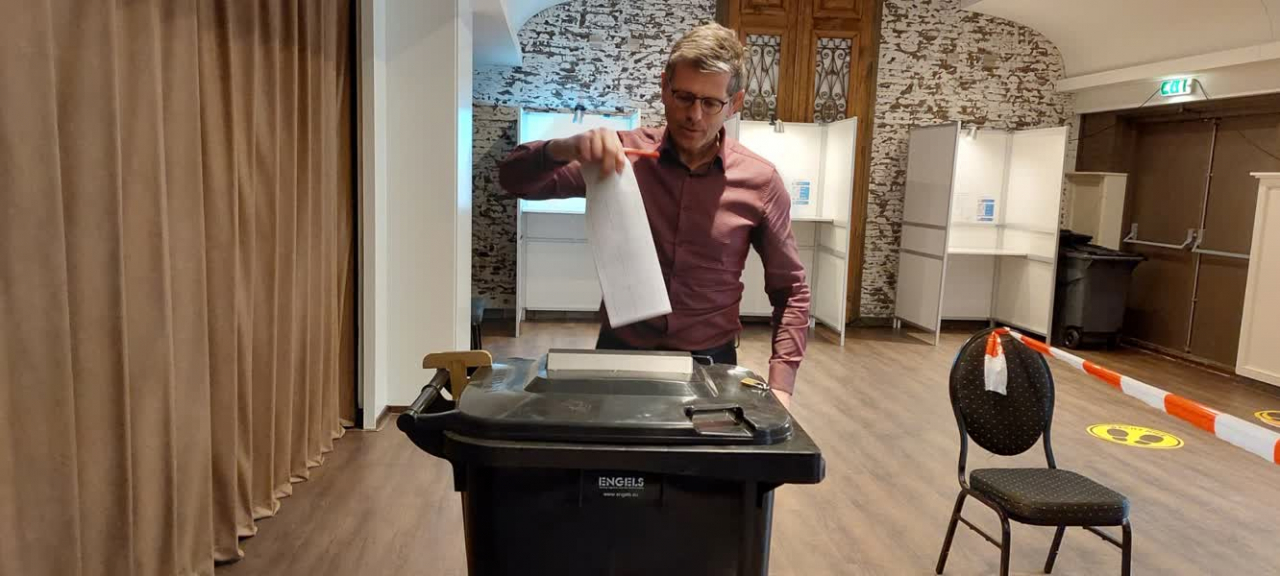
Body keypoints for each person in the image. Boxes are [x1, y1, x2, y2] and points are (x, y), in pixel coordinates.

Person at [498, 23, 810, 407]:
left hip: (711, 361)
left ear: (735, 103)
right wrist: (562, 148)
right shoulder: (619, 157)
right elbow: (514, 180)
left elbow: (791, 289)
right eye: (684, 97)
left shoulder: (760, 181)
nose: (694, 115)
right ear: (664, 87)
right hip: (620, 353)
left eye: (711, 103)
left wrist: (781, 385)